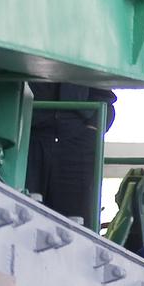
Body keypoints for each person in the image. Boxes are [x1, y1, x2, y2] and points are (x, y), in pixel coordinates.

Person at [24, 82, 116, 226]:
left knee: (76, 224)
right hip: (29, 135)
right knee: (22, 214)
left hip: (76, 143)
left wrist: (91, 130)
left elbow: (105, 98)